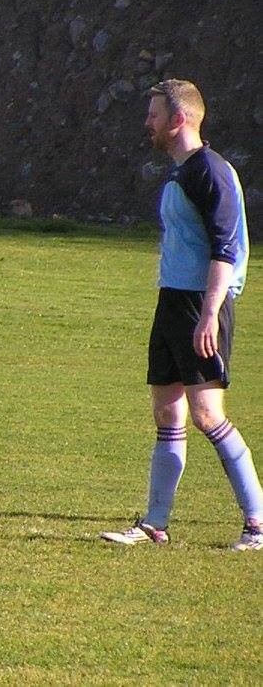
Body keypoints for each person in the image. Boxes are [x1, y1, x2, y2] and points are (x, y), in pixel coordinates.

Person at [101, 79, 262, 551]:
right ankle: (155, 523)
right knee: (168, 410)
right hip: (172, 301)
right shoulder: (181, 171)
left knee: (208, 415)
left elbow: (225, 250)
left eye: (154, 114)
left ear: (179, 119)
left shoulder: (209, 171)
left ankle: (256, 524)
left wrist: (209, 314)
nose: (147, 123)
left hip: (200, 305)